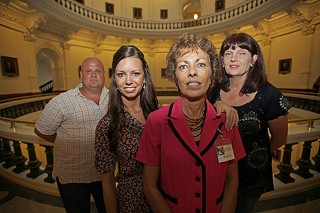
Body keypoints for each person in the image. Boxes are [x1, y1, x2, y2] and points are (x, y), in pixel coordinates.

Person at [136, 33, 246, 213]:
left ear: (212, 75)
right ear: (175, 76)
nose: (192, 72)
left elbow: (232, 181)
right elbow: (149, 186)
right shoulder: (156, 122)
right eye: (183, 66)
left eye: (201, 64)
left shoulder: (227, 121)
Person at [207, 32, 291, 213]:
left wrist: (252, 155)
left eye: (241, 53)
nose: (233, 58)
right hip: (218, 170)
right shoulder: (213, 92)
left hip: (251, 175)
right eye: (228, 53)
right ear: (222, 59)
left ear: (253, 59)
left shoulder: (269, 95)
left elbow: (279, 139)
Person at [34, 57, 108, 213]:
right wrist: (66, 141)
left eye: (98, 71)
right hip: (73, 175)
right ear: (81, 74)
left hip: (104, 174)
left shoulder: (114, 98)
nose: (93, 75)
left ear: (104, 75)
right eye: (88, 71)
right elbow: (41, 130)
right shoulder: (61, 101)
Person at [95, 45, 159, 212]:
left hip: (164, 195)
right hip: (132, 201)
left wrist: (220, 103)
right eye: (121, 74)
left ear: (144, 77)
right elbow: (107, 181)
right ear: (114, 79)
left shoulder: (158, 114)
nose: (128, 81)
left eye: (135, 73)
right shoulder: (107, 125)